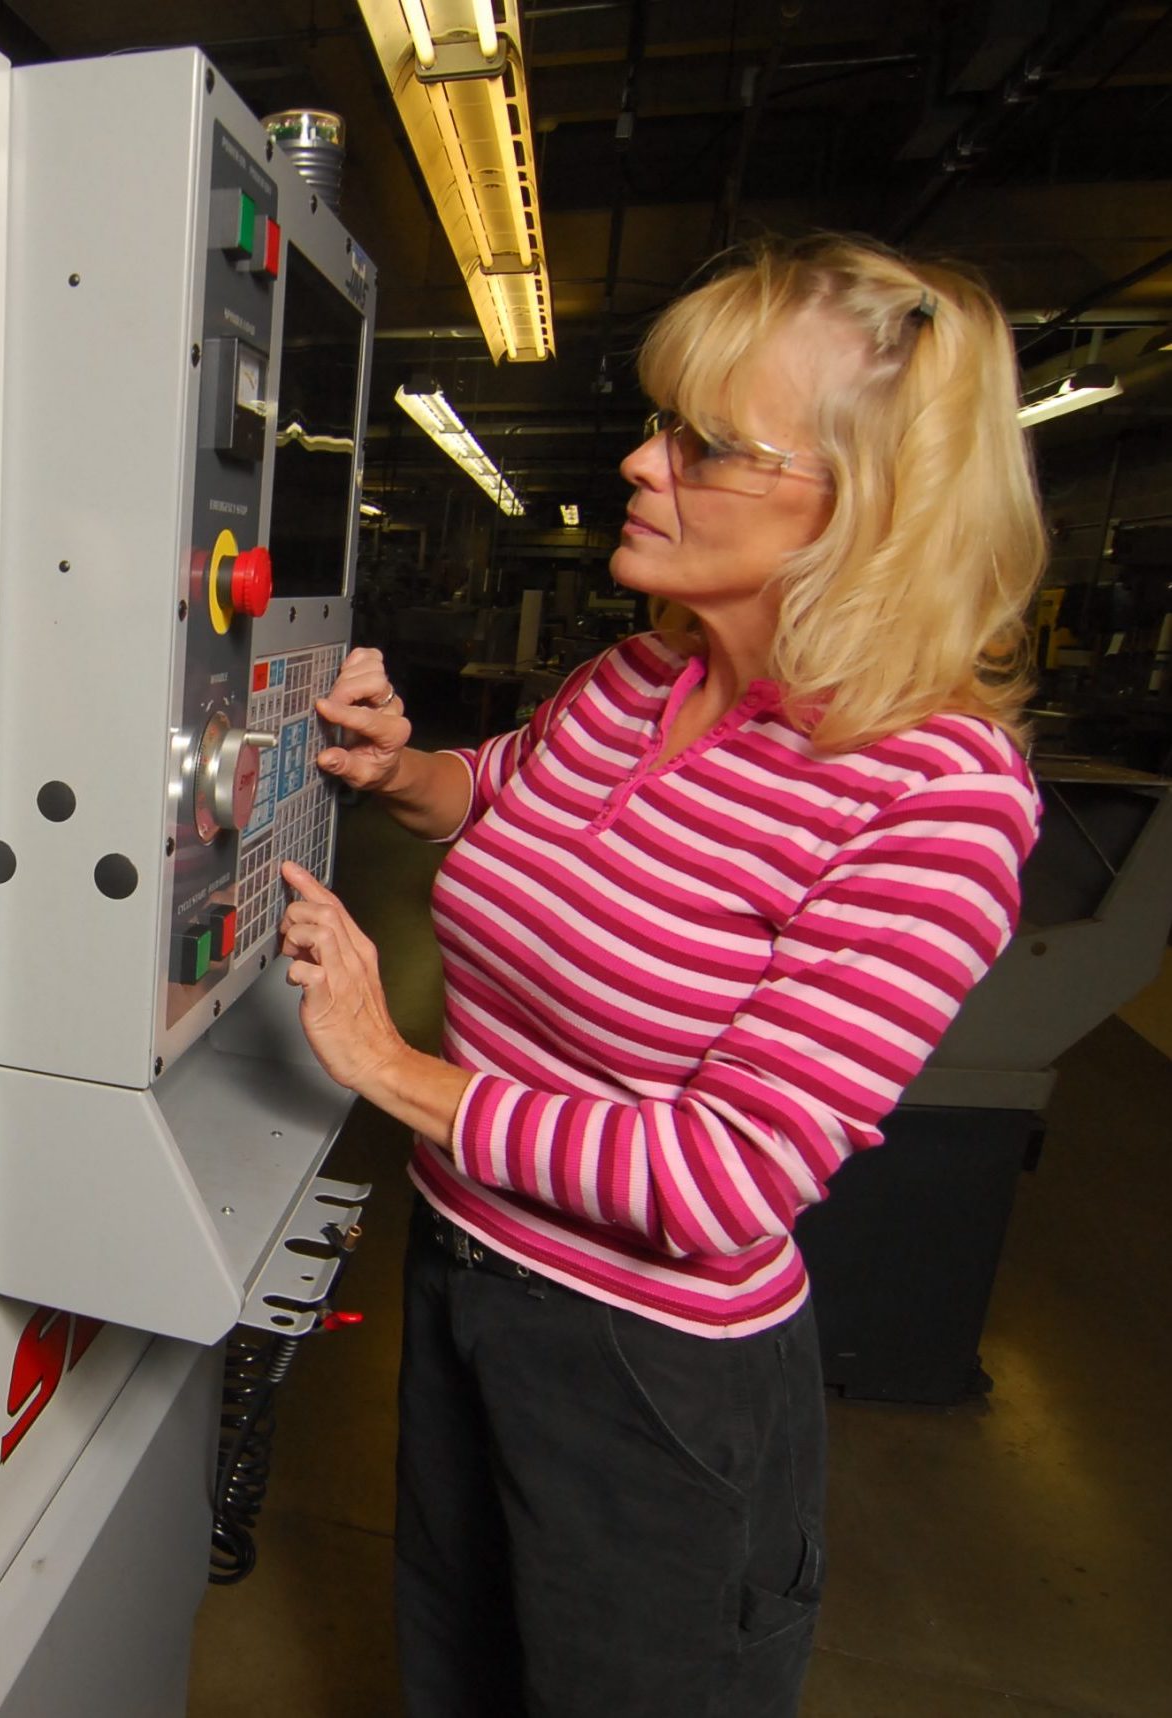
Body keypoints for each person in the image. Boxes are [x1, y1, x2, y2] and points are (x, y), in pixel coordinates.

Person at [276, 235, 1045, 1718]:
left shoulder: (931, 794)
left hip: (643, 1368)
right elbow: (501, 796)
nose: (639, 460)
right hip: (462, 1277)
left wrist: (384, 1059)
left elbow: (725, 1175)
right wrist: (402, 767)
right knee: (456, 1666)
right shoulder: (644, 675)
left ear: (864, 505)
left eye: (701, 442)